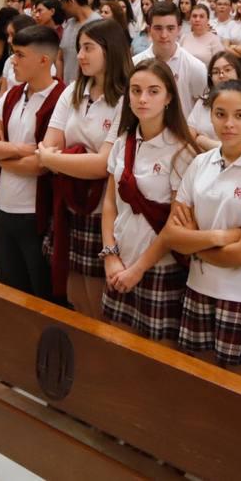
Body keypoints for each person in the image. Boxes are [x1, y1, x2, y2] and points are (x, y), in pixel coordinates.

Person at [164, 81, 241, 377]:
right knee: (200, 387)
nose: (229, 124)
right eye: (220, 114)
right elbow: (172, 235)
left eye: (240, 115)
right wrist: (220, 237)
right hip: (199, 288)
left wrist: (196, 245)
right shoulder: (201, 163)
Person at [36, 19, 132, 318]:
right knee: (74, 292)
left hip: (103, 208)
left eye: (88, 48)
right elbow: (49, 143)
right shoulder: (74, 91)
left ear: (110, 50)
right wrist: (60, 158)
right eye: (79, 48)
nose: (80, 55)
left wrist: (54, 161)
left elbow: (103, 164)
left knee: (99, 296)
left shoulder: (127, 97)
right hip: (69, 202)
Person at [100, 61, 198, 341]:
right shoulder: (123, 141)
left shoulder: (180, 150)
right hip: (120, 261)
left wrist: (138, 269)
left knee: (156, 359)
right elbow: (110, 204)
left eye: (153, 91)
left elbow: (174, 223)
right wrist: (110, 256)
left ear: (169, 97)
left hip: (158, 266)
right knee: (116, 344)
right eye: (136, 90)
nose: (142, 99)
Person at [0, 25, 64, 297]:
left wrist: (1, 155)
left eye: (19, 54)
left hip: (36, 211)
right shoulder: (12, 95)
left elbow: (41, 166)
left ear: (43, 60)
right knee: (10, 291)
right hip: (4, 206)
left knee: (41, 293)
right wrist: (19, 149)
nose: (12, 61)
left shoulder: (62, 98)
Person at [133, 1, 208, 118]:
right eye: (158, 28)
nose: (164, 35)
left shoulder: (196, 67)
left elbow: (202, 110)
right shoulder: (135, 63)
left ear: (179, 29)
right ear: (149, 29)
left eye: (170, 28)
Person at [187, 51, 241, 150]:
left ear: (237, 72)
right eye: (215, 72)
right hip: (201, 159)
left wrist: (201, 140)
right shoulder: (203, 102)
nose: (221, 75)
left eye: (227, 70)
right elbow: (189, 137)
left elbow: (236, 147)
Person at [56, 0, 99, 85]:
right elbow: (60, 58)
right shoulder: (68, 24)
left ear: (71, 1)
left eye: (62, 3)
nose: (62, 8)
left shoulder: (98, 24)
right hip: (67, 89)